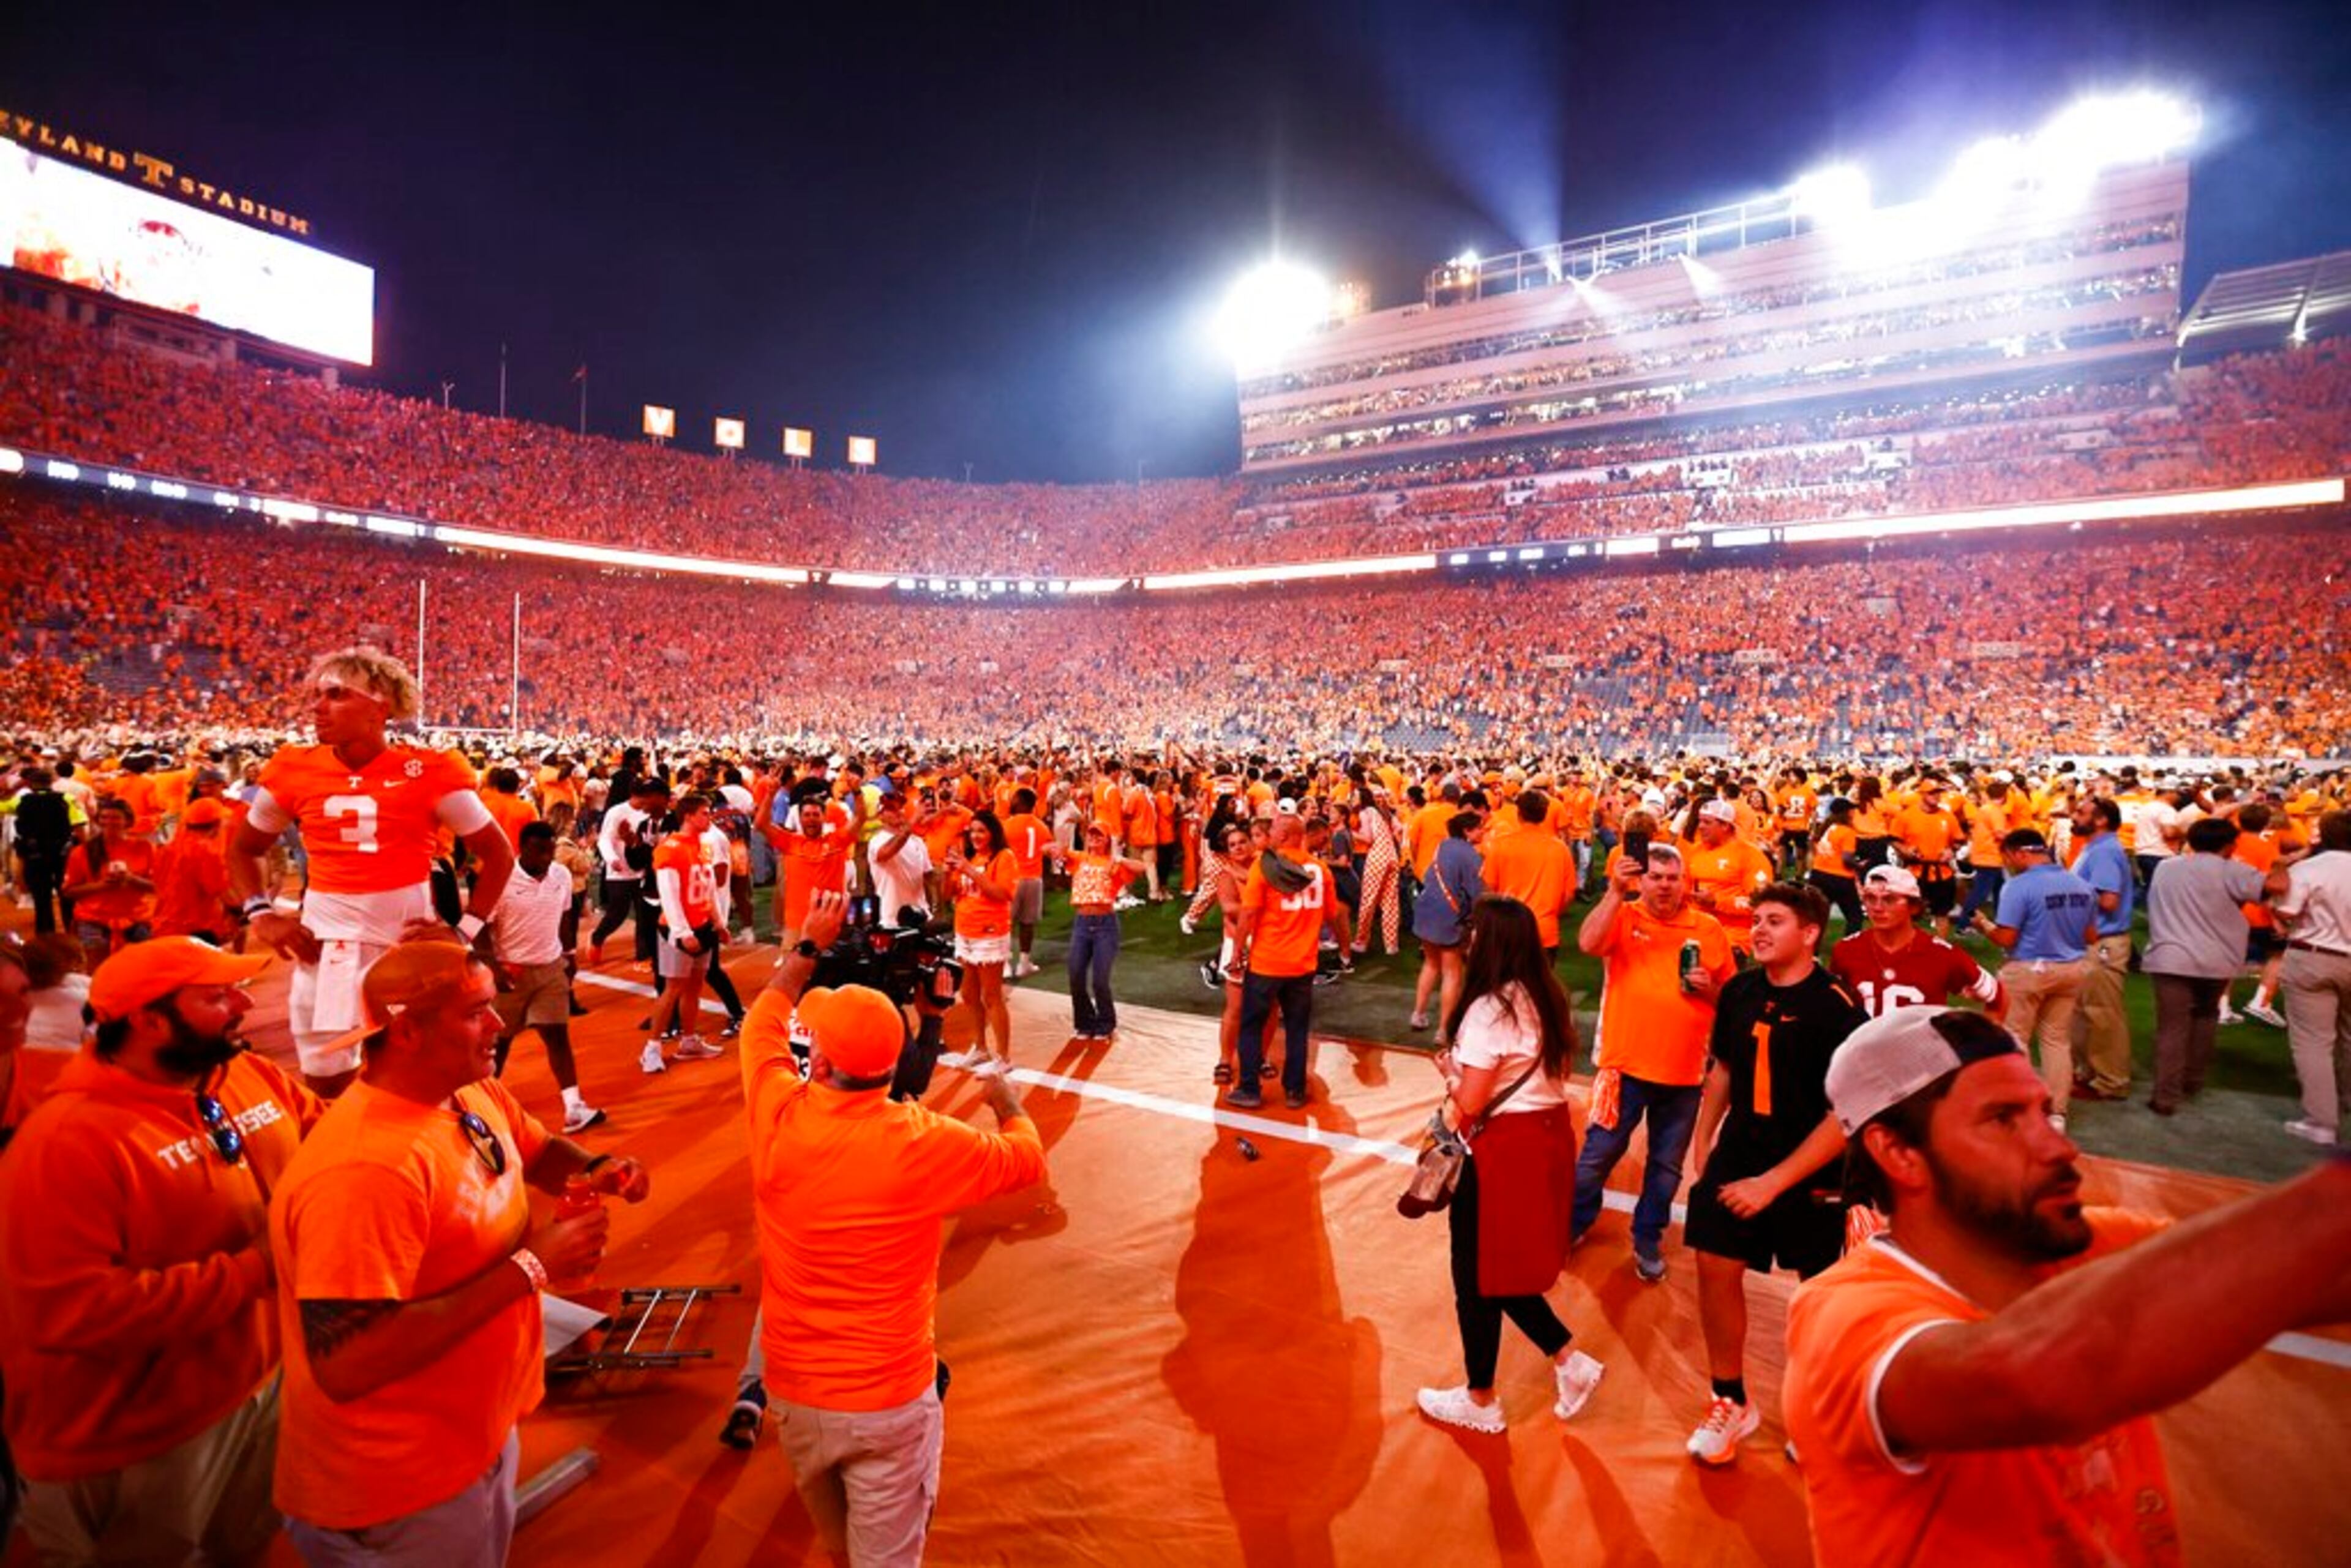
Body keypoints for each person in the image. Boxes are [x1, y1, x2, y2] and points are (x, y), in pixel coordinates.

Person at [1783, 1005, 2351, 1566]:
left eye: (2043, 1112)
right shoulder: (1843, 1312)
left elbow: (2311, 1271)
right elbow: (2033, 1381)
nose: (2059, 1147)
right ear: (1899, 1153)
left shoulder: (2080, 1244)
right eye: (2004, 1119)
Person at [269, 934, 648, 1566]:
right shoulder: (366, 1168)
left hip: (468, 1436)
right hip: (397, 1482)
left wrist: (600, 1165)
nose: (500, 1023)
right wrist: (533, 1266)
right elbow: (348, 1361)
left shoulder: (468, 1090)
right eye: (476, 1011)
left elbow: (535, 1149)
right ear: (409, 1033)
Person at [740, 890, 1046, 1564]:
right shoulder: (927, 1141)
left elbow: (763, 1015)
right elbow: (1026, 1159)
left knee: (837, 1547)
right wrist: (1008, 1102)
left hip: (794, 1391)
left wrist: (808, 948)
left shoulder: (776, 1111)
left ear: (817, 1063)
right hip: (888, 1399)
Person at [0, 937, 319, 1566]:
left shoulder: (247, 1076)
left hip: (258, 1385)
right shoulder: (67, 1141)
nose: (242, 1002)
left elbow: (328, 1141)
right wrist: (257, 1266)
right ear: (149, 1018)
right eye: (215, 994)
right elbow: (73, 1312)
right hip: (132, 1435)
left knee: (249, 1540)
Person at [227, 648, 516, 1097]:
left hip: (407, 946)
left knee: (429, 1079)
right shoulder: (295, 767)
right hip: (326, 947)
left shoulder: (428, 770)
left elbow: (497, 854)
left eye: (337, 694)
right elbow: (244, 848)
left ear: (380, 706)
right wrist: (261, 911)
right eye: (317, 695)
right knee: (329, 1086)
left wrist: (464, 931)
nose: (318, 707)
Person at [1682, 883, 1867, 1465]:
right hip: (1743, 1149)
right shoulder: (1738, 990)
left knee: (1816, 1295)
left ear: (1810, 933)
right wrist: (1702, 1140)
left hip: (1812, 1163)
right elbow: (1726, 1068)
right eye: (1757, 919)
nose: (1759, 929)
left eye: (1775, 921)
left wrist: (1773, 1183)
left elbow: (1845, 1115)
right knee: (1714, 1261)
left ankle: (1815, 1409)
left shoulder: (1837, 1007)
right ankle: (1730, 1399)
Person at [1415, 895, 1605, 1434]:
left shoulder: (1487, 1008)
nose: (1468, 940)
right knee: (1496, 1268)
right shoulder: (1545, 996)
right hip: (1543, 1138)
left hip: (1501, 1149)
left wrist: (1450, 1072)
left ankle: (1486, 1396)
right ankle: (1563, 1362)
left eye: (1474, 931)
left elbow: (1471, 1101)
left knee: (1475, 1272)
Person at [1573, 842, 1736, 1282]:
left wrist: (1710, 991)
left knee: (1666, 1168)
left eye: (1672, 877)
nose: (1664, 885)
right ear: (1641, 880)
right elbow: (1587, 942)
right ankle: (1573, 1223)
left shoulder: (1708, 928)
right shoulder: (1625, 916)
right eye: (1656, 877)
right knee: (1596, 1157)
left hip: (1684, 1072)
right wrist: (1612, 892)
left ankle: (1647, 1237)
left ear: (1685, 881)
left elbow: (1733, 999)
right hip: (1623, 1067)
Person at [478, 820, 603, 1132]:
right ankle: (481, 1107)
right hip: (510, 971)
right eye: (539, 851)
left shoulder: (560, 875)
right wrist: (492, 967)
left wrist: (569, 955)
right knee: (499, 1044)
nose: (546, 858)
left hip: (549, 969)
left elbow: (564, 916)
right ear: (522, 849)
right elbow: (480, 925)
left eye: (549, 851)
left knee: (557, 1037)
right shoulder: (501, 879)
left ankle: (574, 1107)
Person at [2142, 815, 2268, 1119]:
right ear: (2229, 845)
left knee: (2172, 1027)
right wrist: (2279, 862)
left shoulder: (2166, 867)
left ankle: (2165, 1095)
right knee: (2205, 1017)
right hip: (2217, 959)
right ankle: (2193, 1081)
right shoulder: (2233, 870)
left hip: (2170, 957)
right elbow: (2270, 889)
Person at [1970, 829, 2095, 1130]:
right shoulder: (2080, 883)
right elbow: (2091, 935)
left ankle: (2021, 1109)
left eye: (2007, 858)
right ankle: (2057, 1114)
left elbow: (2006, 937)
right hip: (2072, 968)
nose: (2007, 864)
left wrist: (1984, 925)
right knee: (2056, 1041)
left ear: (2019, 853)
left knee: (2016, 1038)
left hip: (2028, 970)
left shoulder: (2018, 886)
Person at [1227, 813, 1351, 1111]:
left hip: (1267, 962)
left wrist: (1236, 952)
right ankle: (1294, 1091)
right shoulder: (1321, 870)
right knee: (1297, 1028)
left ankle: (1249, 1088)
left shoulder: (1265, 866)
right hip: (1303, 965)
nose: (1267, 836)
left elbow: (1249, 913)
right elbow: (1334, 914)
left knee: (1251, 1026)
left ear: (1283, 836)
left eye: (1272, 832)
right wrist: (1344, 949)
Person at [1830, 865, 2003, 1020]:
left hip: (1921, 1055)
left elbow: (1997, 997)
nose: (1878, 907)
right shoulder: (1846, 950)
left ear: (1914, 907)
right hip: (1862, 1054)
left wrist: (1983, 1049)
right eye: (1870, 898)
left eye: (1889, 900)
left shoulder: (1943, 955)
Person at [2275, 808, 2351, 1146]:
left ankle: (2322, 1122)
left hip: (2314, 955)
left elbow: (2286, 911)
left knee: (2313, 1042)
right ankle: (2345, 1100)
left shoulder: (2310, 867)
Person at [1050, 820, 1151, 1041]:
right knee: (1075, 974)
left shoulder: (1112, 863)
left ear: (1107, 841)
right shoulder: (1078, 859)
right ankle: (1085, 1022)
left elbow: (1143, 868)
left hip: (1106, 925)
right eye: (1091, 835)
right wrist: (1055, 850)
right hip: (1082, 925)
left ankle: (1106, 1023)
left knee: (1099, 980)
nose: (1094, 839)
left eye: (1099, 836)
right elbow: (1056, 851)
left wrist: (1120, 858)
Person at [2067, 797, 2138, 1103]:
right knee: (2084, 1012)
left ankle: (2111, 1080)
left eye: (2081, 813)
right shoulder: (2096, 847)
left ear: (2101, 820)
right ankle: (2091, 1072)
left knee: (2102, 1014)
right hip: (2091, 941)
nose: (2074, 816)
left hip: (2103, 942)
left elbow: (2108, 900)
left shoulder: (2106, 850)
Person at [939, 811, 1019, 1071]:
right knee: (969, 993)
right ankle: (981, 1048)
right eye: (972, 831)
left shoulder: (1004, 857)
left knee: (992, 996)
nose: (976, 836)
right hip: (965, 931)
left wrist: (970, 870)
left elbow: (1003, 893)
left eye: (981, 831)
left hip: (990, 933)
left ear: (993, 833)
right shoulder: (968, 858)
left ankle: (1003, 1057)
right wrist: (946, 873)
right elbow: (947, 894)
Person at [1409, 809, 1485, 1035]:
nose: (1483, 832)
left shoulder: (1442, 846)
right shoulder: (1471, 855)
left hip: (1426, 910)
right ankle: (1444, 1030)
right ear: (1467, 831)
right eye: (1479, 828)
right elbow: (1476, 893)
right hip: (1449, 917)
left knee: (1431, 964)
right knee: (1452, 973)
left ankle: (1418, 1014)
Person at [62, 797, 156, 964]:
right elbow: (69, 892)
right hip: (93, 919)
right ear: (98, 820)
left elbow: (158, 887)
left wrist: (132, 880)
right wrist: (102, 886)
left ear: (128, 821)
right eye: (104, 817)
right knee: (97, 970)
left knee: (143, 969)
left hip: (137, 918)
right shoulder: (83, 851)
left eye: (115, 817)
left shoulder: (145, 848)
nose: (109, 822)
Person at [1480, 790, 1573, 960]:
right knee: (1540, 986)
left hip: (1508, 929)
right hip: (1545, 931)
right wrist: (1551, 914)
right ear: (1545, 814)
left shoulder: (1500, 846)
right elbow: (1568, 895)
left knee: (1506, 985)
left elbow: (1488, 890)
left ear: (1519, 813)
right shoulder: (1560, 849)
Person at [1681, 798, 1775, 953]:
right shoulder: (1695, 851)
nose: (1700, 827)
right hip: (1695, 933)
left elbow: (1761, 903)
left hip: (1732, 938)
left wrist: (1717, 902)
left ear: (1725, 825)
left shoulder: (1750, 855)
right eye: (1700, 821)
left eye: (1707, 822)